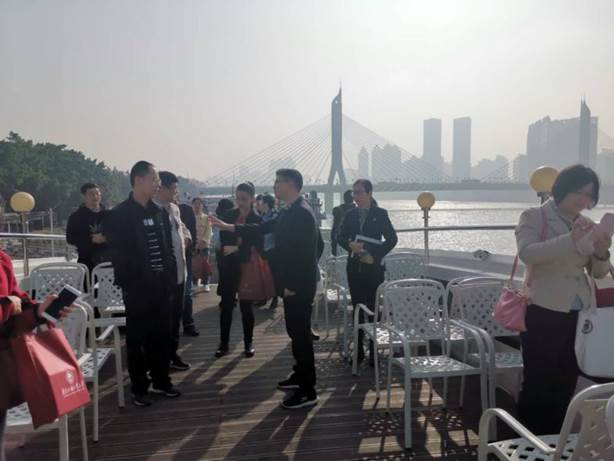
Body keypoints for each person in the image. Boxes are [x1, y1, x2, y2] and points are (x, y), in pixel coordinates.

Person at [211, 169, 324, 409]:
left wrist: (292, 285)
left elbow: (306, 255)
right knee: (294, 333)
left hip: (298, 287)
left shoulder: (302, 214)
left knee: (302, 336)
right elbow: (261, 228)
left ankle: (308, 390)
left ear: (291, 184)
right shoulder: (289, 210)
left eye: (278, 182)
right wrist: (230, 227)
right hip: (291, 285)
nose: (274, 186)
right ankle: (299, 375)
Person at [515, 165, 612, 434]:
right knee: (538, 380)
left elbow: (598, 273)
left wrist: (602, 252)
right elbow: (528, 253)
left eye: (589, 195)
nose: (583, 199)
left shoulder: (587, 224)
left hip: (580, 313)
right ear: (562, 189)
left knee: (566, 379)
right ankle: (528, 439)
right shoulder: (534, 216)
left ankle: (554, 439)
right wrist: (571, 239)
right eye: (578, 192)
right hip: (543, 307)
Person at [107, 161, 180, 407]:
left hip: (161, 286)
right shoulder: (120, 215)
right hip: (137, 288)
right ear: (139, 180)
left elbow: (167, 248)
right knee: (137, 340)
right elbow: (116, 254)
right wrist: (132, 280)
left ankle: (161, 381)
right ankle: (139, 388)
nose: (158, 184)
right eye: (154, 179)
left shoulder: (159, 212)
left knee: (162, 336)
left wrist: (170, 277)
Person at [1, 249, 70, 461]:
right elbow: (11, 305)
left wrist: (39, 312)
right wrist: (8, 306)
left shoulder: (2, 259)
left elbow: (17, 308)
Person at [337, 179, 398, 365]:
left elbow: (392, 239)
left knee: (373, 309)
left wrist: (374, 255)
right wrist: (350, 245)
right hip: (354, 268)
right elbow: (339, 236)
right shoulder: (350, 214)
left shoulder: (380, 214)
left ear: (369, 193)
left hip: (373, 269)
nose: (356, 196)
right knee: (357, 308)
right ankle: (358, 351)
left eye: (359, 192)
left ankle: (373, 350)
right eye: (354, 192)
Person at [216, 183, 262, 359]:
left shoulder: (257, 220)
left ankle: (248, 343)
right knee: (226, 307)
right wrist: (242, 244)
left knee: (246, 308)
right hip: (229, 268)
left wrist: (237, 247)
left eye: (244, 199)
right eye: (238, 198)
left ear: (252, 199)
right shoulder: (228, 216)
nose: (240, 202)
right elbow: (225, 242)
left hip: (247, 268)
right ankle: (224, 344)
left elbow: (257, 245)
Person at [154, 171, 192, 371]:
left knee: (176, 317)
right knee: (162, 321)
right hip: (162, 278)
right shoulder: (151, 211)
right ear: (162, 188)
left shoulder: (174, 209)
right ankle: (159, 359)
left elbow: (182, 228)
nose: (176, 193)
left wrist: (187, 236)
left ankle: (173, 354)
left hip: (179, 272)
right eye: (174, 189)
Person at [66, 183, 110, 271]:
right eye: (91, 194)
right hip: (86, 261)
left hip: (108, 261)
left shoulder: (109, 215)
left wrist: (107, 237)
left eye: (97, 193)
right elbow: (70, 238)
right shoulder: (76, 217)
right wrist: (91, 240)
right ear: (84, 197)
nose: (95, 196)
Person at [179, 200, 200, 337]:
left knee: (187, 291)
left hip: (185, 256)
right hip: (166, 260)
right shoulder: (155, 209)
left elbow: (191, 231)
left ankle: (188, 324)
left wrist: (190, 246)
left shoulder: (185, 210)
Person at [260, 194, 280, 310]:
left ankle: (275, 298)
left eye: (262, 202)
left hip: (272, 249)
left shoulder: (275, 215)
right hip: (263, 249)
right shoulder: (262, 215)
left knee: (273, 275)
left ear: (266, 204)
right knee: (264, 275)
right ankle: (264, 297)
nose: (260, 204)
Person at [192, 197, 213, 292]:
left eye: (199, 204)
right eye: (195, 204)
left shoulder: (207, 218)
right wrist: (194, 242)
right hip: (193, 245)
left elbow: (209, 231)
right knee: (194, 265)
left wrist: (203, 241)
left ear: (202, 205)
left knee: (205, 264)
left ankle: (206, 283)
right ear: (192, 205)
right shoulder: (190, 217)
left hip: (204, 245)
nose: (197, 206)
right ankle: (194, 283)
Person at [331, 190, 356, 256]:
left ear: (344, 198)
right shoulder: (357, 211)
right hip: (353, 240)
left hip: (339, 239)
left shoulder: (338, 210)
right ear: (353, 199)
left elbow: (335, 226)